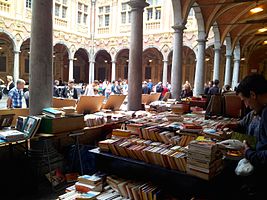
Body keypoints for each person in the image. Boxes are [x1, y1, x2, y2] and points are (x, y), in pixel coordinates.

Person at [218, 74, 267, 199]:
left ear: (253, 95)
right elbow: (242, 123)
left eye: (245, 100)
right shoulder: (256, 111)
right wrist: (231, 125)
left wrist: (248, 152)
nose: (245, 105)